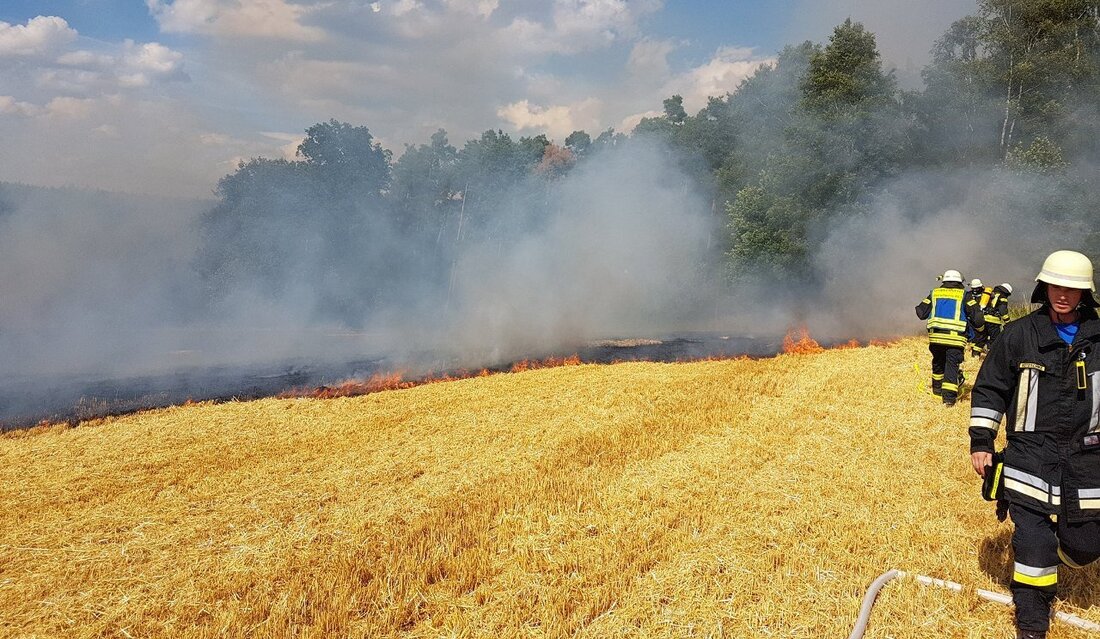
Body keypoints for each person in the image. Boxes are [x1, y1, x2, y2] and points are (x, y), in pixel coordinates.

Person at [969, 250, 1100, 639]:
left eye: (1072, 288)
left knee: (1086, 543)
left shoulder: (1099, 338)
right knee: (1035, 544)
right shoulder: (1019, 335)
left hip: (1087, 454)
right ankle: (1032, 620)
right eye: (1057, 286)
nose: (1063, 294)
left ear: (1085, 294)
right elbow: (991, 388)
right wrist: (982, 440)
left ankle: (1056, 555)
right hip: (1030, 453)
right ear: (1045, 287)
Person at [916, 269, 985, 405]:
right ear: (960, 282)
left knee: (938, 362)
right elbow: (978, 318)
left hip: (935, 338)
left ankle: (937, 390)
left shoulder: (934, 293)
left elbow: (920, 312)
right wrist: (980, 329)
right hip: (955, 339)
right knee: (951, 366)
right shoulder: (964, 295)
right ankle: (948, 400)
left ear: (944, 281)